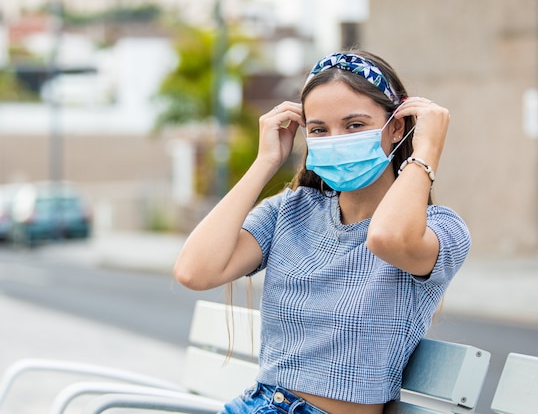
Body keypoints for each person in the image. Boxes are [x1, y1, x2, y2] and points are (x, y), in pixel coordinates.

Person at [173, 50, 471, 414]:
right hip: (258, 404)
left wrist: (425, 150)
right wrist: (266, 161)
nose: (336, 140)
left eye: (354, 125)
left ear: (396, 127)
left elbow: (385, 238)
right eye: (319, 130)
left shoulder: (440, 229)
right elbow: (194, 271)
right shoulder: (291, 209)